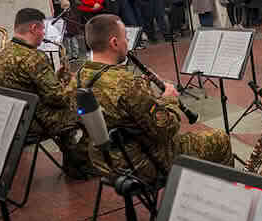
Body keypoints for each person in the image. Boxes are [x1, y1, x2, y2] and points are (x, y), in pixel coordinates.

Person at [74, 14, 233, 179]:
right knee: (220, 138)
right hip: (142, 162)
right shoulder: (128, 84)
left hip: (105, 162)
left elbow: (119, 111)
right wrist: (169, 99)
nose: (127, 42)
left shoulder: (77, 77)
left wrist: (145, 92)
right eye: (125, 38)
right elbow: (166, 130)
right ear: (114, 43)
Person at [0, 8, 90, 179]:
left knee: (68, 112)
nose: (44, 34)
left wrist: (56, 78)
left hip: (15, 118)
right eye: (43, 29)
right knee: (88, 112)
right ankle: (80, 162)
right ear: (34, 28)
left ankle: (73, 161)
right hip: (37, 122)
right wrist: (73, 81)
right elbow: (58, 98)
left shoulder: (0, 55)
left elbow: (27, 86)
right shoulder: (34, 57)